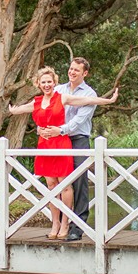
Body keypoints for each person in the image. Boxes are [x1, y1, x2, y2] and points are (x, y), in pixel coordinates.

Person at [9, 66, 118, 240]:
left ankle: (67, 223)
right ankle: (55, 223)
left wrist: (108, 100)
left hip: (61, 142)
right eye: (43, 82)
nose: (46, 85)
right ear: (38, 84)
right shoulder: (37, 101)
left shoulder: (62, 96)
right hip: (44, 145)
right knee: (51, 186)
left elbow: (85, 101)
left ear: (54, 82)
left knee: (65, 185)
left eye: (49, 82)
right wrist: (12, 110)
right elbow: (21, 109)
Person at [38, 57, 105, 241]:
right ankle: (60, 224)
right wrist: (42, 127)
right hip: (57, 140)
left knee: (79, 182)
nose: (72, 72)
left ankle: (78, 226)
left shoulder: (89, 94)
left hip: (77, 139)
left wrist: (60, 130)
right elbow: (45, 109)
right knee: (58, 183)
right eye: (71, 68)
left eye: (77, 70)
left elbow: (78, 122)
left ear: (85, 73)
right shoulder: (58, 89)